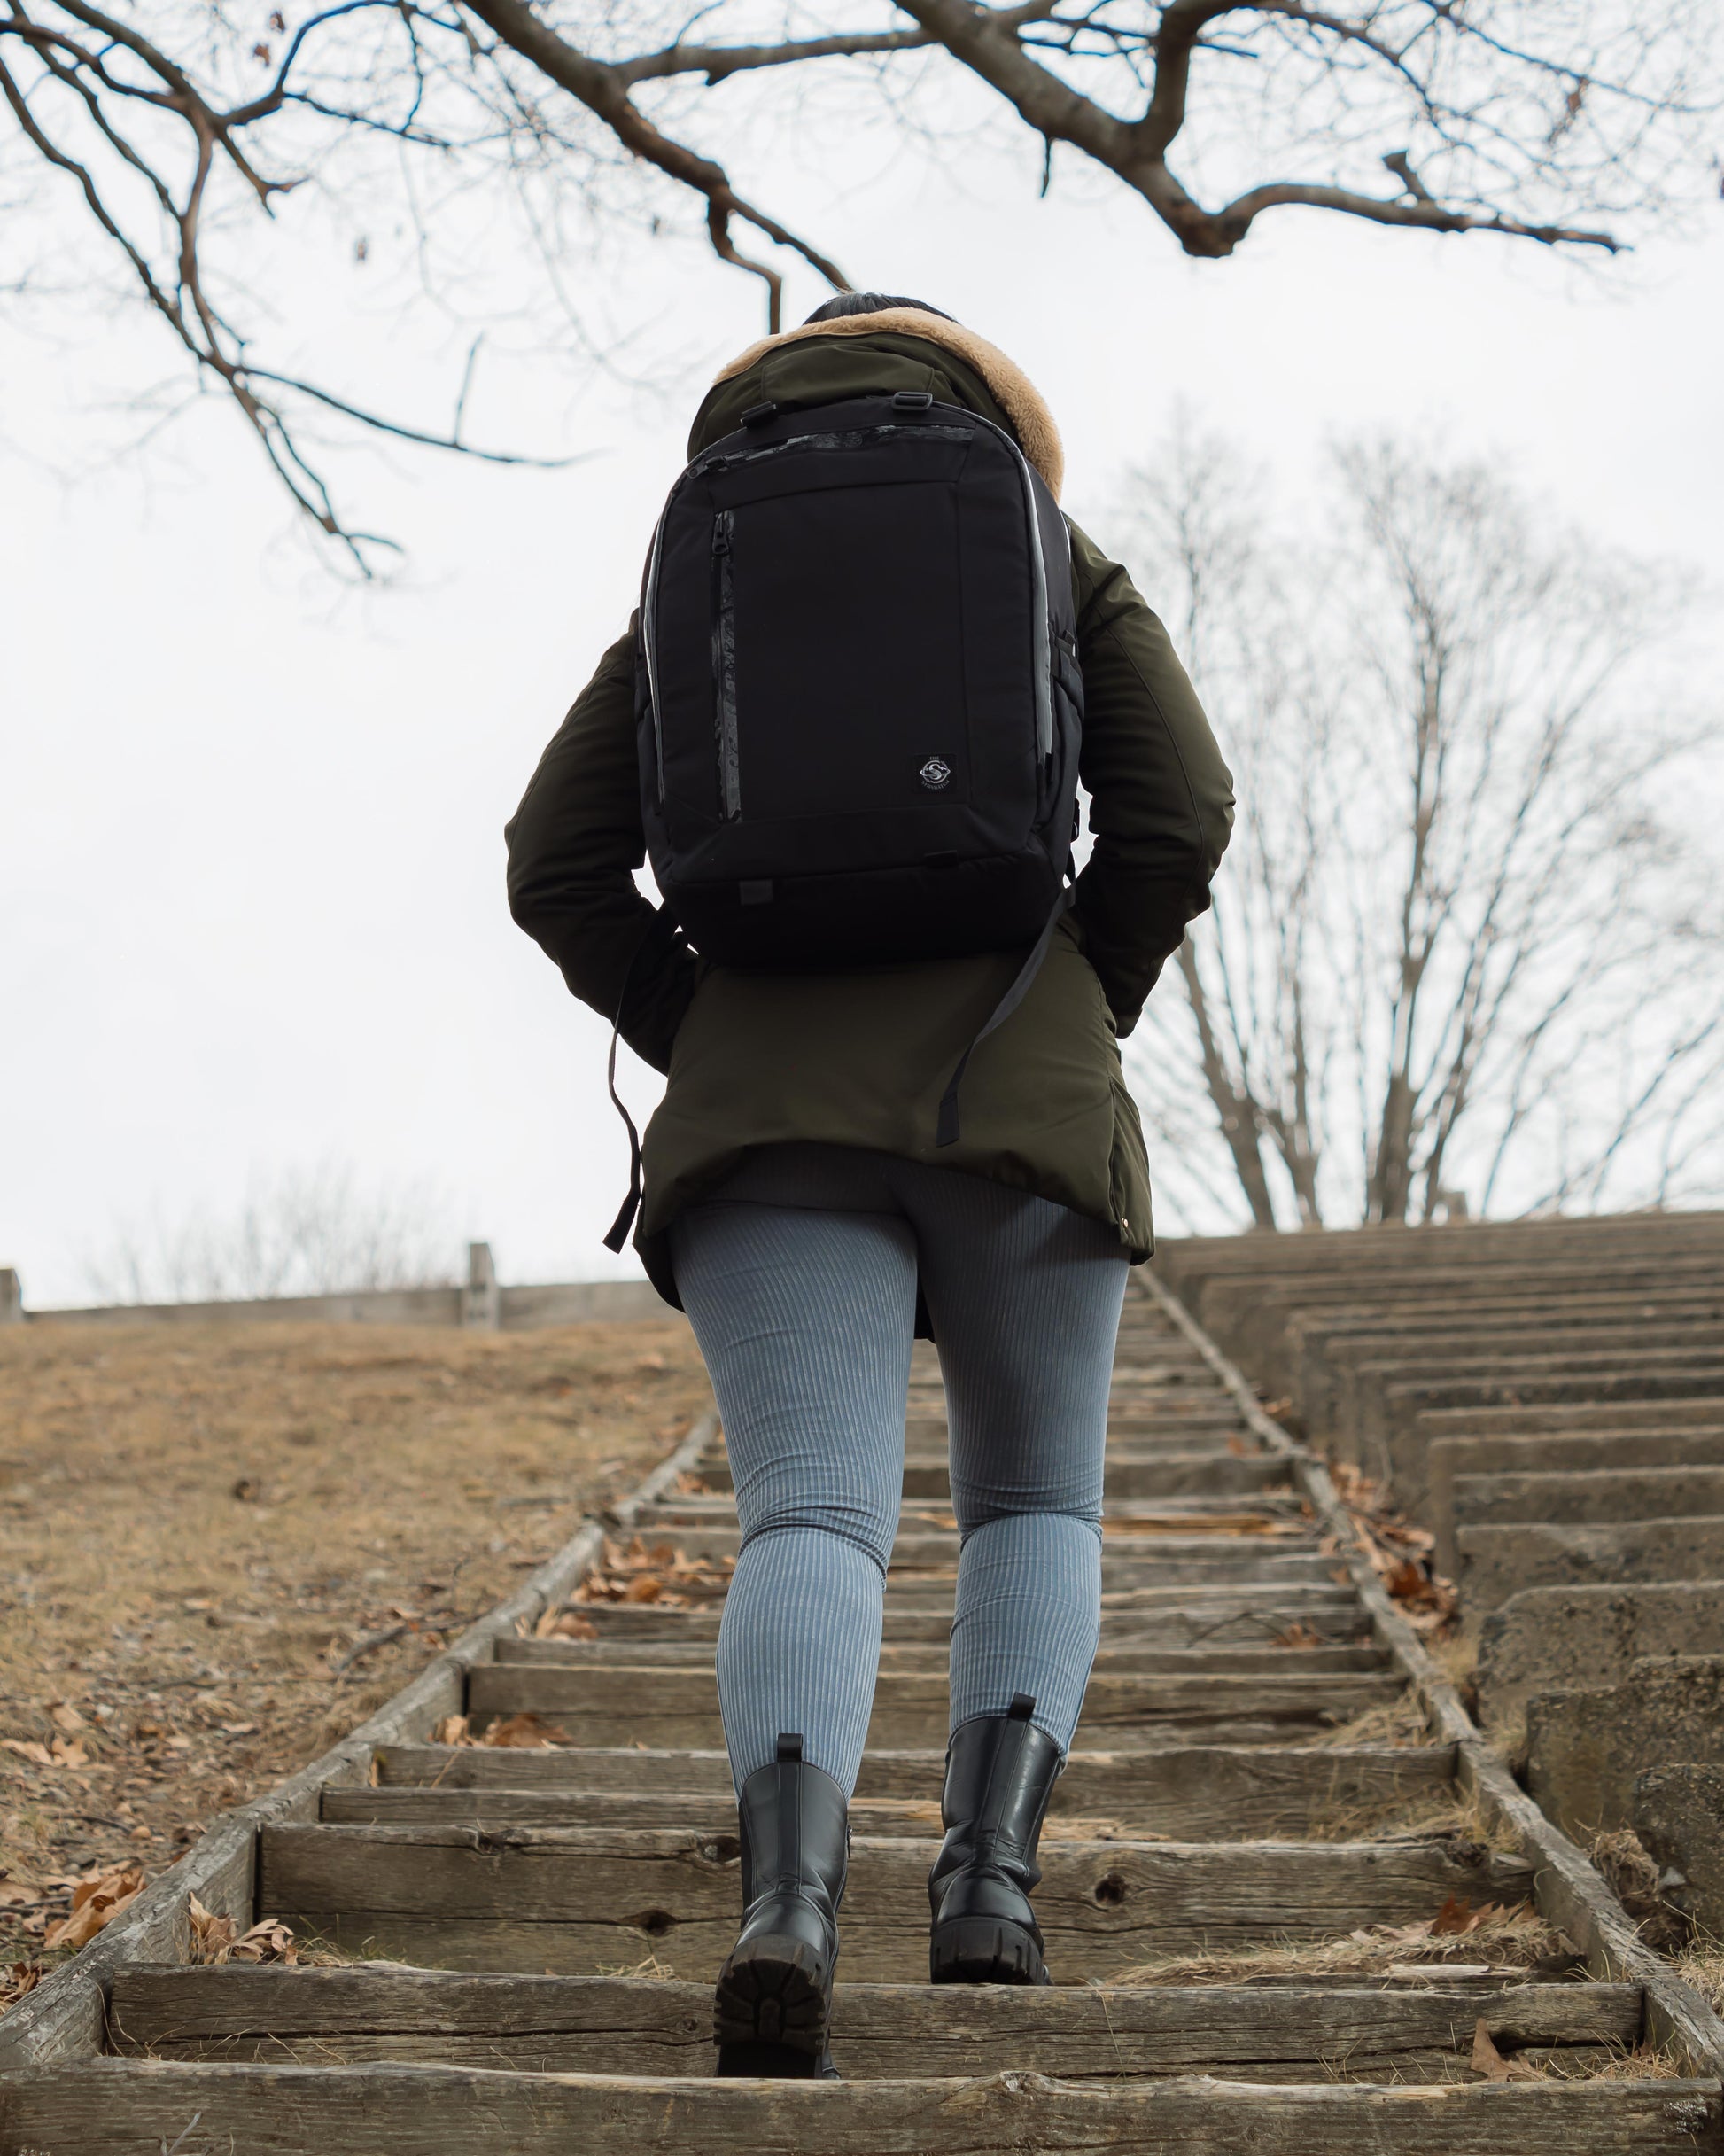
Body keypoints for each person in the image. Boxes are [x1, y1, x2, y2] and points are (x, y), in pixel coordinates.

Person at [506, 292, 1234, 2077]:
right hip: (1028, 1086)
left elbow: (553, 860)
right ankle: (986, 1891)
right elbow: (1181, 809)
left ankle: (788, 1909)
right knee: (1032, 1505)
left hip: (767, 1113)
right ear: (982, 395)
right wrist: (1073, 1002)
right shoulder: (1043, 541)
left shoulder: (704, 567)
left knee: (812, 1515)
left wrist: (714, 1025)